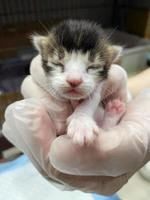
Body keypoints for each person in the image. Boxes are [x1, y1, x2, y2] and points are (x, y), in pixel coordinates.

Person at [2, 56, 150, 195]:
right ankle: (107, 120)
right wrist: (124, 90)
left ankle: (107, 121)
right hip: (75, 132)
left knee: (93, 132)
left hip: (93, 131)